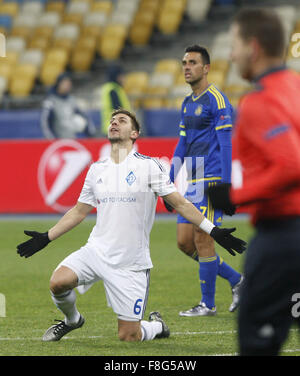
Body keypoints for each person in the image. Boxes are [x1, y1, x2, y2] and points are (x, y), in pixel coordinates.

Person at [17, 109, 246, 343]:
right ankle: (72, 320)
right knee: (58, 282)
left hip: (131, 263)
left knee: (129, 336)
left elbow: (181, 203)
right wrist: (46, 237)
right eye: (112, 120)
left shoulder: (149, 167)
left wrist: (214, 230)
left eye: (122, 121)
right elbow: (79, 211)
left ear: (134, 133)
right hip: (96, 251)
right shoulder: (97, 169)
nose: (115, 123)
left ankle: (156, 326)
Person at [208, 8, 300, 356]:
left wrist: (236, 196)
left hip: (283, 241)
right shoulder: (296, 88)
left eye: (234, 44)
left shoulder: (261, 101)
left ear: (254, 47)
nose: (231, 54)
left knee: (257, 343)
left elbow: (291, 164)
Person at [165, 45, 243, 317]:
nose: (186, 67)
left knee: (203, 236)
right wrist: (169, 181)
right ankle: (237, 281)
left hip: (211, 180)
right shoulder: (188, 103)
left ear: (206, 68)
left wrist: (225, 184)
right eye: (184, 62)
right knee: (185, 242)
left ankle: (207, 304)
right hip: (193, 181)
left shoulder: (217, 100)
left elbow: (226, 144)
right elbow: (182, 145)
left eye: (193, 62)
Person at [41, 73, 96, 139]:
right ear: (59, 84)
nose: (67, 86)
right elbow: (45, 122)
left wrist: (91, 134)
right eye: (65, 84)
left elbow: (83, 116)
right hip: (58, 140)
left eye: (69, 84)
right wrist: (52, 139)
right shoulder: (50, 101)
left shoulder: (71, 100)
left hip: (71, 139)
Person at [99, 64, 131, 135]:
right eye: (122, 76)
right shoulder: (113, 90)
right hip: (116, 129)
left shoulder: (109, 88)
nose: (124, 78)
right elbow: (118, 110)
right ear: (117, 77)